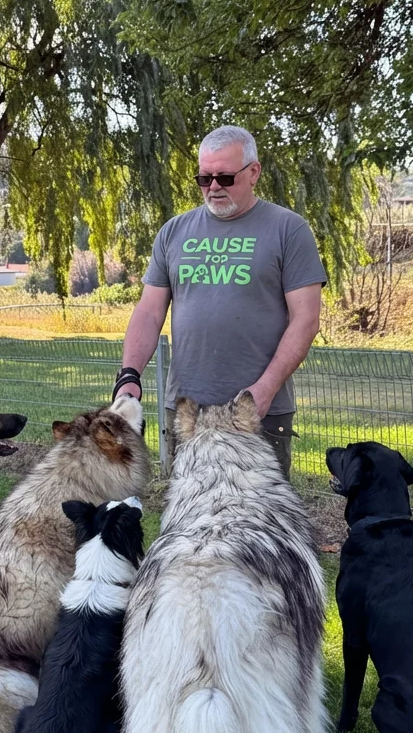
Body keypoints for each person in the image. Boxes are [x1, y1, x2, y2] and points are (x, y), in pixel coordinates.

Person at [112, 125, 326, 476]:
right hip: (187, 410)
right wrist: (130, 375)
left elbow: (306, 319)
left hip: (258, 410)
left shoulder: (289, 229)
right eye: (204, 178)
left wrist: (265, 390)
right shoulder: (174, 232)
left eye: (225, 177)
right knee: (190, 520)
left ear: (253, 172)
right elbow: (149, 312)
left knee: (260, 524)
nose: (213, 187)